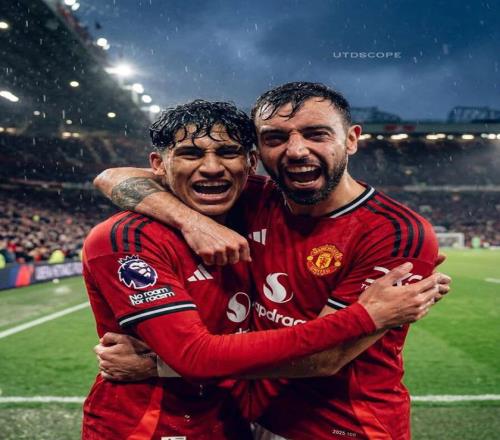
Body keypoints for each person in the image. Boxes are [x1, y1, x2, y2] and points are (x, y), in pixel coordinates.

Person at [84, 99, 445, 440]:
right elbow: (111, 177)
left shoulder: (258, 201)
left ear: (250, 163)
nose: (211, 168)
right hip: (153, 426)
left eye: (228, 152)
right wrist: (191, 221)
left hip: (331, 425)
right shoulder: (130, 237)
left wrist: (161, 365)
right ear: (159, 165)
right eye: (191, 154)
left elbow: (325, 358)